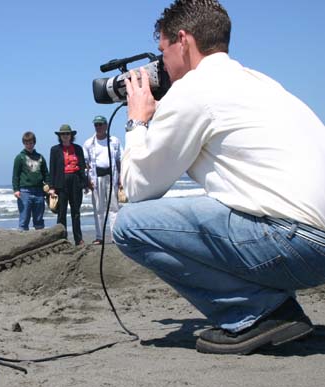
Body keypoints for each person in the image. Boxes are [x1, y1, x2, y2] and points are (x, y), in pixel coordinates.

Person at [112, 0, 325, 355]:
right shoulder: (259, 82)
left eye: (162, 52)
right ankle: (268, 303)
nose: (160, 65)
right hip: (311, 244)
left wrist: (137, 122)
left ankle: (258, 313)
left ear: (183, 41)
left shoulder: (195, 89)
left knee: (129, 225)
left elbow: (137, 188)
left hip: (297, 244)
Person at [83, 115, 123, 245]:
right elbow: (86, 164)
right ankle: (99, 236)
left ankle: (114, 235)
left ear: (106, 125)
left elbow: (119, 160)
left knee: (114, 208)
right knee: (99, 209)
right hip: (96, 178)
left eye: (100, 124)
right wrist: (87, 181)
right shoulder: (89, 143)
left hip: (111, 176)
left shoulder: (114, 141)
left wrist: (121, 178)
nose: (98, 127)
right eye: (96, 125)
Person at [49, 124, 87, 246]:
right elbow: (52, 169)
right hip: (61, 182)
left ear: (71, 135)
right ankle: (62, 239)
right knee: (62, 212)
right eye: (63, 134)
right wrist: (52, 187)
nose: (65, 136)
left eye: (67, 134)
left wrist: (84, 183)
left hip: (75, 181)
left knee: (76, 211)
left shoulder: (78, 149)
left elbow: (82, 167)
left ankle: (78, 239)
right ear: (60, 136)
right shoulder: (55, 150)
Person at [12, 131, 50, 231]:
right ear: (24, 143)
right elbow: (15, 175)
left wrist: (49, 187)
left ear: (34, 143)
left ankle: (41, 241)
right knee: (24, 218)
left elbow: (46, 173)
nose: (29, 145)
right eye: (27, 143)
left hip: (39, 191)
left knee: (39, 219)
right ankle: (23, 240)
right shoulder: (20, 158)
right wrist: (16, 190)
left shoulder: (40, 157)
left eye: (31, 143)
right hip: (25, 191)